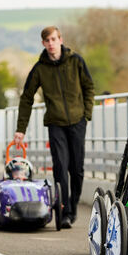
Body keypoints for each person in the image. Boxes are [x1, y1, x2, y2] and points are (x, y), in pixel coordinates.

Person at [13, 26, 94, 228]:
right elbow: (26, 98)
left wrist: (87, 114)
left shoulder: (76, 61)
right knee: (60, 167)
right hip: (55, 124)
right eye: (47, 40)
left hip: (77, 121)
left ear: (60, 40)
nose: (51, 43)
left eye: (54, 39)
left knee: (77, 169)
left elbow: (89, 87)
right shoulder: (40, 68)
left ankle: (73, 206)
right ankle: (64, 211)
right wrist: (20, 129)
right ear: (43, 43)